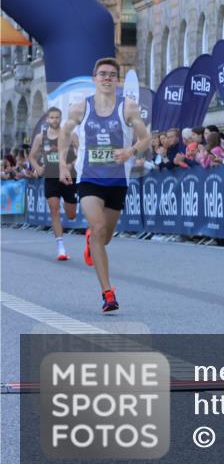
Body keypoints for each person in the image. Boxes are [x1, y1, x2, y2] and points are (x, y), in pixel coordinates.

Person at [59, 57, 152, 313]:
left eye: (112, 74)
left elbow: (146, 138)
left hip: (117, 180)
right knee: (99, 226)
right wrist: (64, 165)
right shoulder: (81, 108)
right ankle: (107, 293)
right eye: (103, 74)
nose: (107, 78)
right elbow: (65, 133)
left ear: (117, 80)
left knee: (105, 237)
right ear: (94, 79)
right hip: (89, 178)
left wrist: (130, 150)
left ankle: (93, 239)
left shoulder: (128, 107)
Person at [29, 107, 79, 260]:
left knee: (71, 215)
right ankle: (61, 248)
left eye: (57, 117)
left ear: (61, 118)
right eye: (52, 118)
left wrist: (71, 165)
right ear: (47, 119)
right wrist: (37, 167)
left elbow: (80, 152)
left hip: (69, 177)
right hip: (51, 177)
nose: (55, 120)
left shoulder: (70, 135)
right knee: (54, 210)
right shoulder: (40, 137)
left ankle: (67, 205)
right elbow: (32, 156)